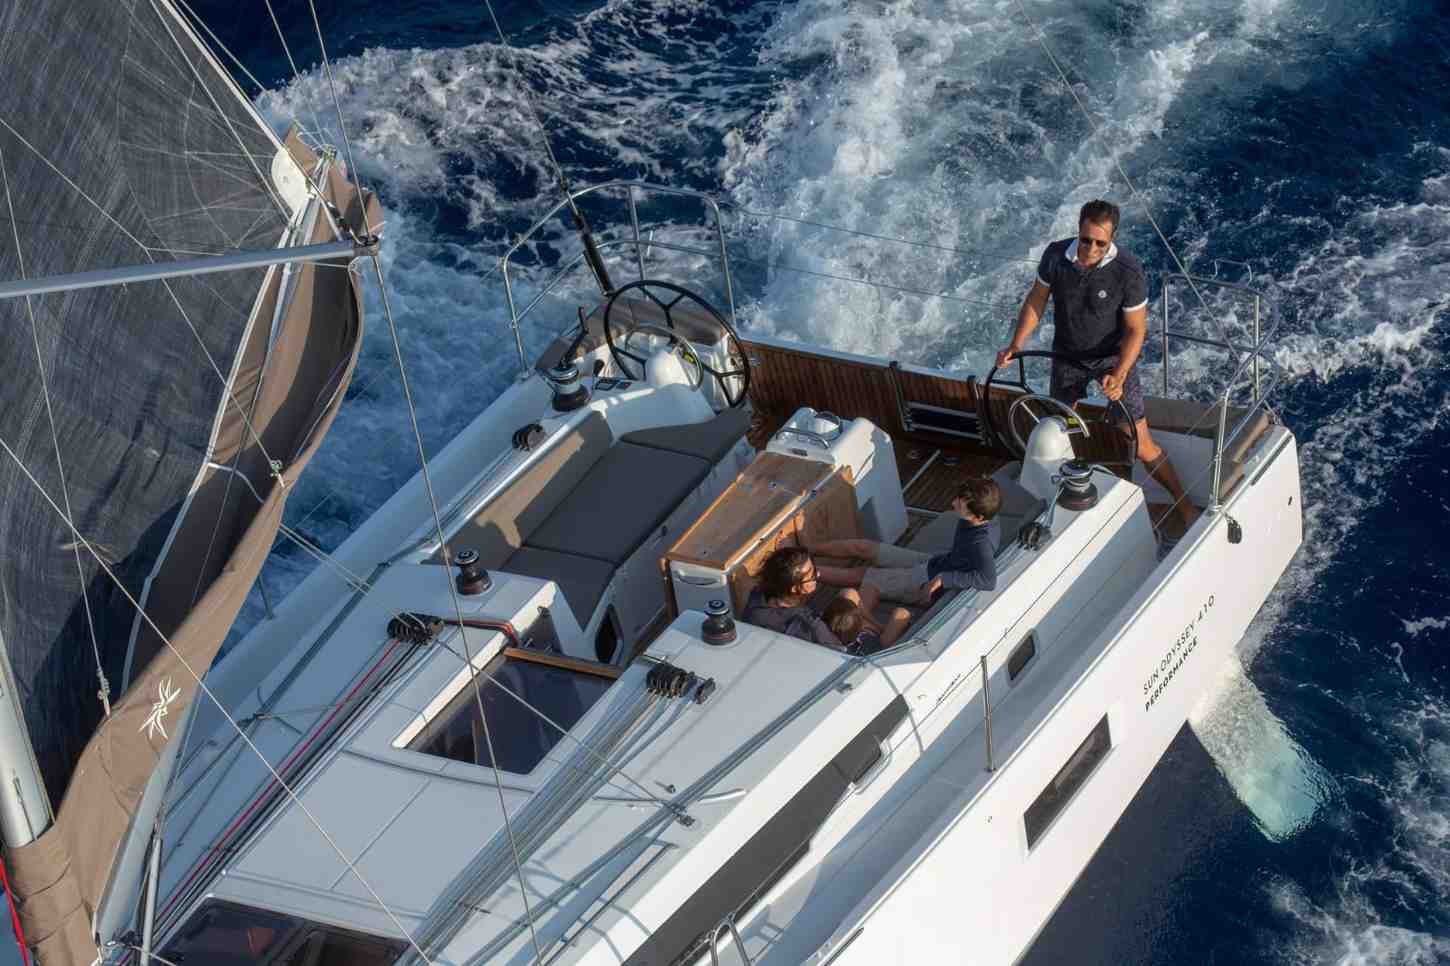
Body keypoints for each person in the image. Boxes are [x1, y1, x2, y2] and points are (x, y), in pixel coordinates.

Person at [996, 199, 1196, 535]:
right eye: (1086, 239)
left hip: (1113, 360)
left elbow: (1136, 330)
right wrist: (1016, 344)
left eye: (1100, 243)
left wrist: (1119, 375)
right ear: (1078, 231)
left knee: (1140, 442)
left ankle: (1184, 504)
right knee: (1058, 429)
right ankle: (1063, 502)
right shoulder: (1055, 256)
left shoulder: (1128, 271)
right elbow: (1036, 300)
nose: (1091, 249)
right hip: (1067, 356)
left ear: (1112, 238)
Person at [808, 478, 1001, 606]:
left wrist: (943, 579)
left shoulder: (981, 544)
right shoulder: (984, 517)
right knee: (863, 546)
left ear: (979, 517)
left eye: (960, 504)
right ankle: (806, 548)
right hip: (935, 562)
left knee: (862, 575)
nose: (953, 503)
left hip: (924, 581)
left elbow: (988, 580)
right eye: (958, 499)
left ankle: (804, 572)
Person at [742, 546, 882, 648]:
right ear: (795, 588)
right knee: (888, 610)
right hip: (834, 647)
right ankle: (880, 636)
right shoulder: (810, 625)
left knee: (851, 594)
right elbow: (837, 650)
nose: (818, 575)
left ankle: (877, 630)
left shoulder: (758, 596)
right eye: (812, 575)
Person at [823, 597, 912, 654]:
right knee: (902, 613)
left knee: (849, 592)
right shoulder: (867, 645)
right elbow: (877, 645)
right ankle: (880, 628)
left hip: (851, 636)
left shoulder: (820, 629)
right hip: (877, 646)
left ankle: (876, 626)